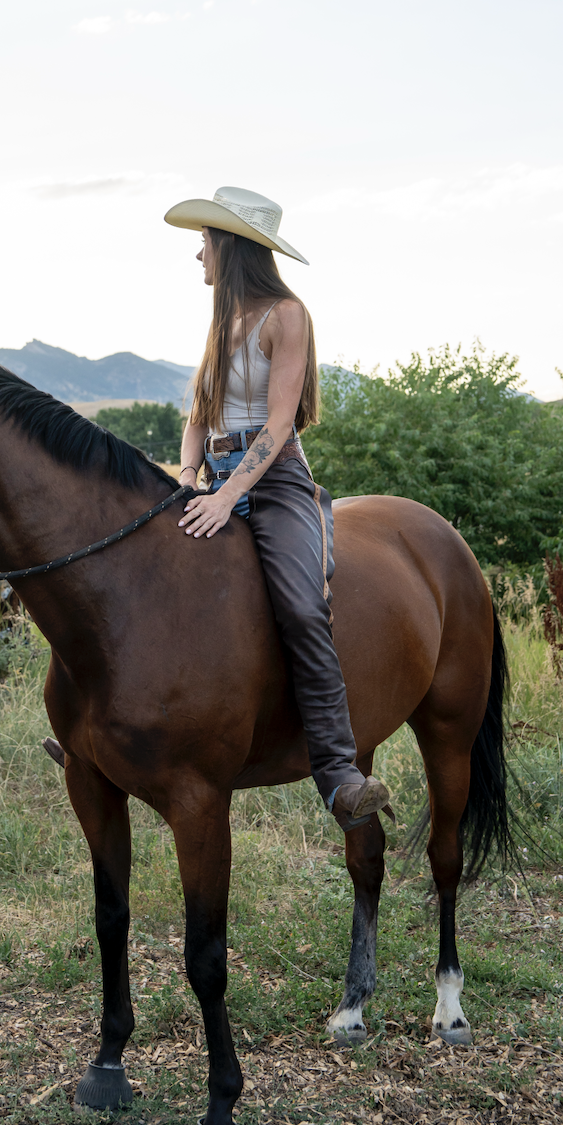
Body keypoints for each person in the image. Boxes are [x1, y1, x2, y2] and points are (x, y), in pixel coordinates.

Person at [164, 185, 391, 832]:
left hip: (274, 482)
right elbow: (198, 414)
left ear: (229, 246)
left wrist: (230, 494)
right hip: (212, 481)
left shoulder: (287, 314)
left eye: (204, 242)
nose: (197, 255)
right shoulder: (220, 320)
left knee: (298, 604)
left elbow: (279, 421)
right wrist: (188, 477)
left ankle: (340, 774)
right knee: (148, 579)